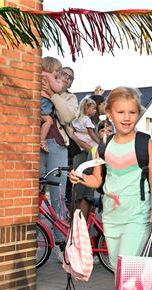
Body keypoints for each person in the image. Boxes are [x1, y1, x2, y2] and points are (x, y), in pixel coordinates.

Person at [69, 86, 152, 290]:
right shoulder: (102, 146)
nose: (126, 117)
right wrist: (80, 178)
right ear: (109, 113)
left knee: (126, 268)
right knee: (117, 266)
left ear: (138, 114)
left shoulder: (145, 143)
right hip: (111, 215)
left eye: (132, 112)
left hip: (138, 213)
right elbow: (98, 180)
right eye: (120, 112)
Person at [40, 66, 78, 246]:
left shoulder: (70, 98)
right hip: (37, 143)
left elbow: (67, 117)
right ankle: (31, 238)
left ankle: (61, 241)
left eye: (70, 77)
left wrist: (53, 95)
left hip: (58, 145)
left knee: (58, 195)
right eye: (64, 74)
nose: (66, 78)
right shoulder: (41, 85)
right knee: (35, 193)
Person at [71, 97, 100, 217]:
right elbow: (92, 134)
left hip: (79, 149)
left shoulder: (76, 120)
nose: (94, 111)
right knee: (85, 193)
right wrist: (99, 143)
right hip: (88, 151)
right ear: (87, 107)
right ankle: (83, 220)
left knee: (77, 193)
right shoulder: (87, 120)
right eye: (93, 108)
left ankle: (75, 219)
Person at [39, 56, 63, 153]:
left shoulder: (40, 74)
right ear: (50, 67)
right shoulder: (49, 76)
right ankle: (42, 140)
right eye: (56, 71)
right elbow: (56, 88)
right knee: (49, 121)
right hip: (44, 102)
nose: (57, 73)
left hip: (41, 100)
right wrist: (60, 83)